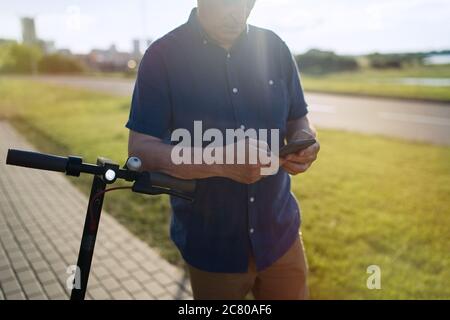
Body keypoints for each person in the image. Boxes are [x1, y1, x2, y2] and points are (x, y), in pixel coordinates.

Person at [126, 0, 320, 300]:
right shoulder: (162, 56)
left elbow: (299, 118)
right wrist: (219, 162)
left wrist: (305, 138)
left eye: (248, 3)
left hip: (282, 237)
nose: (239, 12)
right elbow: (141, 150)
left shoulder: (274, 47)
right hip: (212, 247)